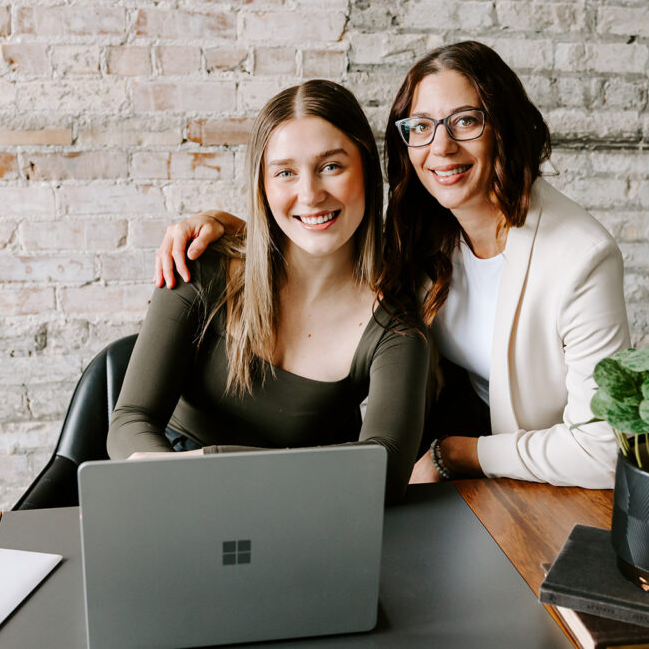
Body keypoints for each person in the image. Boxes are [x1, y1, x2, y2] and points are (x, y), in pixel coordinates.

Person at [154, 41, 630, 490]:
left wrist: (457, 454)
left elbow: (603, 450)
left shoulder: (581, 259)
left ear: (505, 124)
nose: (441, 147)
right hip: (442, 443)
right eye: (421, 126)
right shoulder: (425, 228)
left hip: (534, 467)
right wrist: (223, 225)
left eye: (465, 121)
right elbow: (319, 228)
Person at [109, 79, 429, 502]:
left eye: (331, 166)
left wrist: (218, 472)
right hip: (168, 485)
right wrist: (184, 480)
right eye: (285, 173)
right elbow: (131, 419)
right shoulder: (203, 265)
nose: (310, 194)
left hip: (305, 504)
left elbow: (382, 471)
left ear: (368, 171)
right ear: (263, 185)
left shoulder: (396, 331)